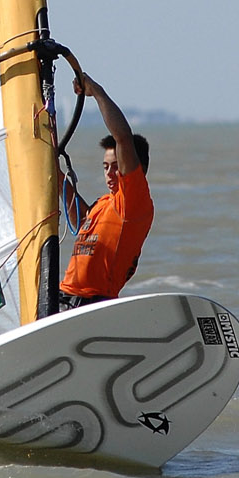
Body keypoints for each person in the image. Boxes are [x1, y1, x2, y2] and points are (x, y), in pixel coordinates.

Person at [57, 72, 154, 310]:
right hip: (61, 300)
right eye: (105, 167)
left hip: (94, 306)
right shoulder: (103, 204)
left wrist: (97, 92)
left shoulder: (133, 203)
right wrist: (54, 170)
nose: (110, 173)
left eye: (116, 167)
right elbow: (81, 221)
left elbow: (123, 139)